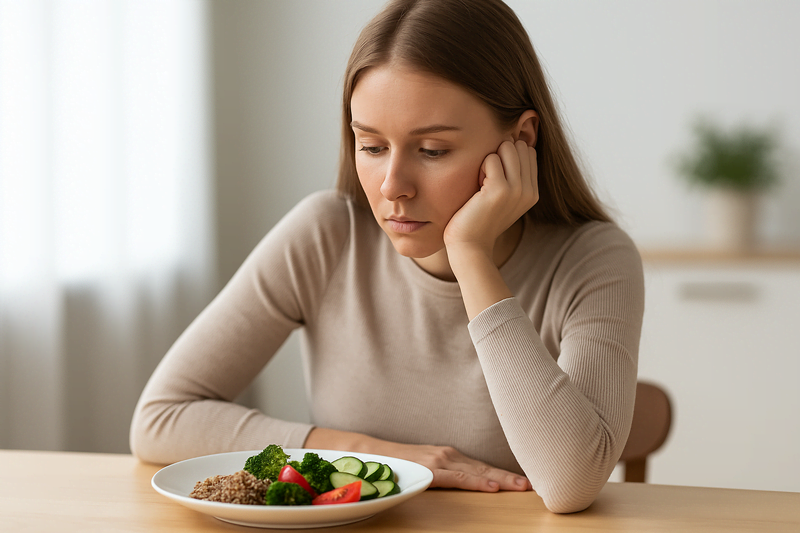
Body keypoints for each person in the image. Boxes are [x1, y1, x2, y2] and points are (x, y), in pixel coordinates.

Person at [130, 0, 644, 514]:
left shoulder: (593, 260)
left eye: (433, 150)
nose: (392, 186)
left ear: (521, 140)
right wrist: (364, 451)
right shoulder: (326, 235)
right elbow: (160, 418)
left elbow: (571, 483)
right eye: (372, 147)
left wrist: (470, 255)